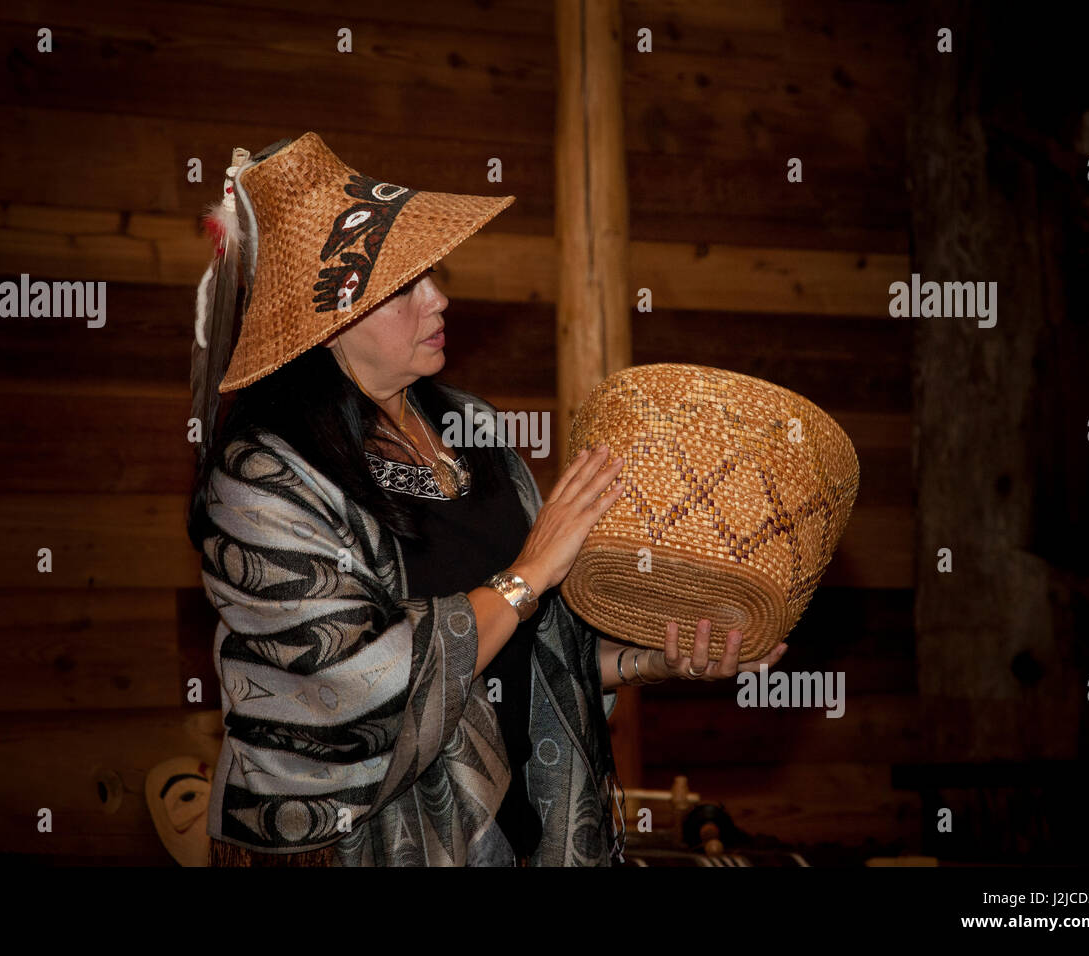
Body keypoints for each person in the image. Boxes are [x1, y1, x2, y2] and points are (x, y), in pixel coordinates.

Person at [184, 133, 789, 867]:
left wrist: (651, 660)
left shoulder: (469, 425)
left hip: (520, 832)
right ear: (327, 321)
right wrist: (528, 574)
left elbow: (529, 650)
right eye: (403, 286)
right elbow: (350, 683)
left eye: (431, 271)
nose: (439, 296)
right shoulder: (258, 479)